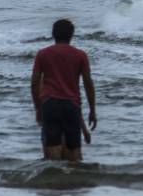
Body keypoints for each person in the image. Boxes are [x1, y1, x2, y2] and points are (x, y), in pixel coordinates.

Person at [31, 19, 97, 162]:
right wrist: (92, 110)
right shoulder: (80, 55)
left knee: (52, 150)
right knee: (74, 153)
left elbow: (35, 83)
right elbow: (88, 84)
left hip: (50, 104)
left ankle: (55, 179)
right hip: (71, 106)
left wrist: (38, 108)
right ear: (71, 35)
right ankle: (74, 181)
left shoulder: (43, 54)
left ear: (53, 34)